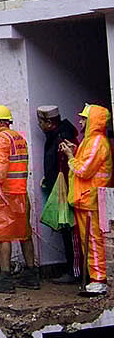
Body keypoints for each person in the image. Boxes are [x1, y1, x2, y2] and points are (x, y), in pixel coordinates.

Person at [0, 105, 38, 293]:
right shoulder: (19, 138)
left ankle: (5, 279)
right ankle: (31, 275)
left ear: (0, 122)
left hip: (4, 194)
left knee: (2, 235)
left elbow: (0, 164)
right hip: (20, 193)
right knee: (24, 233)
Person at [62, 104, 112, 296]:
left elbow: (83, 170)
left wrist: (69, 157)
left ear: (93, 121)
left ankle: (99, 280)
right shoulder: (89, 141)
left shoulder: (97, 142)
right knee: (88, 242)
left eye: (84, 118)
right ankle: (95, 278)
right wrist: (74, 154)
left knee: (93, 241)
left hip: (91, 199)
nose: (80, 121)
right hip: (85, 199)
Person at [36, 105, 81, 284]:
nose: (39, 126)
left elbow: (66, 166)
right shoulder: (56, 136)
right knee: (66, 232)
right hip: (61, 191)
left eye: (41, 122)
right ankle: (72, 269)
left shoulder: (62, 138)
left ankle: (74, 272)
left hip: (68, 193)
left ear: (49, 122)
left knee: (72, 233)